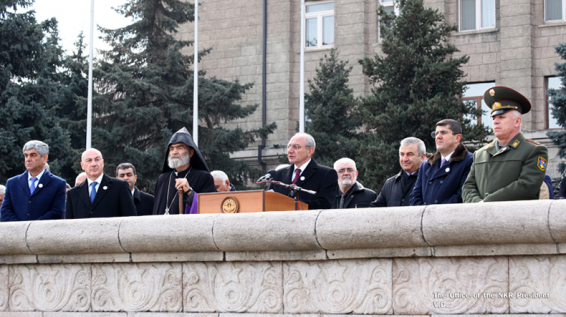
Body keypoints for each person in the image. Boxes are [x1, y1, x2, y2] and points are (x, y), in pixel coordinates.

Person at [463, 86, 548, 202]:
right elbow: (468, 187)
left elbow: (526, 186)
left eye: (502, 117)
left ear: (517, 121)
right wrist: (477, 204)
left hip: (515, 218)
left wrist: (487, 203)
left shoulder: (533, 150)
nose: (496, 121)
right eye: (493, 118)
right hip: (481, 217)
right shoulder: (480, 153)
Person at [153, 127, 216, 215]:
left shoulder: (204, 178)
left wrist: (189, 192)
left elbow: (210, 208)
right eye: (171, 149)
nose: (174, 152)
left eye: (179, 148)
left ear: (191, 153)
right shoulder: (162, 179)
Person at [410, 119, 473, 205]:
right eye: (436, 134)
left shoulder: (469, 161)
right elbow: (415, 196)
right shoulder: (426, 165)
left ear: (457, 138)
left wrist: (436, 212)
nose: (438, 137)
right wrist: (424, 214)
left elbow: (463, 195)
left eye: (443, 133)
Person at [269, 133, 338, 209]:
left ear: (310, 151)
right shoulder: (278, 174)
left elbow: (326, 204)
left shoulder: (326, 174)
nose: (290, 151)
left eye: (296, 147)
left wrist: (292, 205)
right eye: (289, 146)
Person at [0, 140, 66, 221]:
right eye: (26, 155)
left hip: (43, 232)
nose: (28, 159)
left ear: (44, 158)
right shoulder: (12, 183)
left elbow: (57, 212)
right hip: (17, 232)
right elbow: (5, 210)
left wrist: (33, 228)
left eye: (33, 155)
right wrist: (20, 228)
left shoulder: (58, 183)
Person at [66, 148, 137, 218]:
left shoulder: (120, 186)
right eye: (89, 160)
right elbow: (70, 225)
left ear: (102, 163)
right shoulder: (73, 194)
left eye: (97, 159)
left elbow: (130, 219)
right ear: (82, 165)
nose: (93, 164)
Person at [372, 137, 426, 207]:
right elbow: (376, 209)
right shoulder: (390, 183)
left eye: (409, 154)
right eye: (402, 154)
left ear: (422, 157)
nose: (405, 159)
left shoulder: (430, 181)